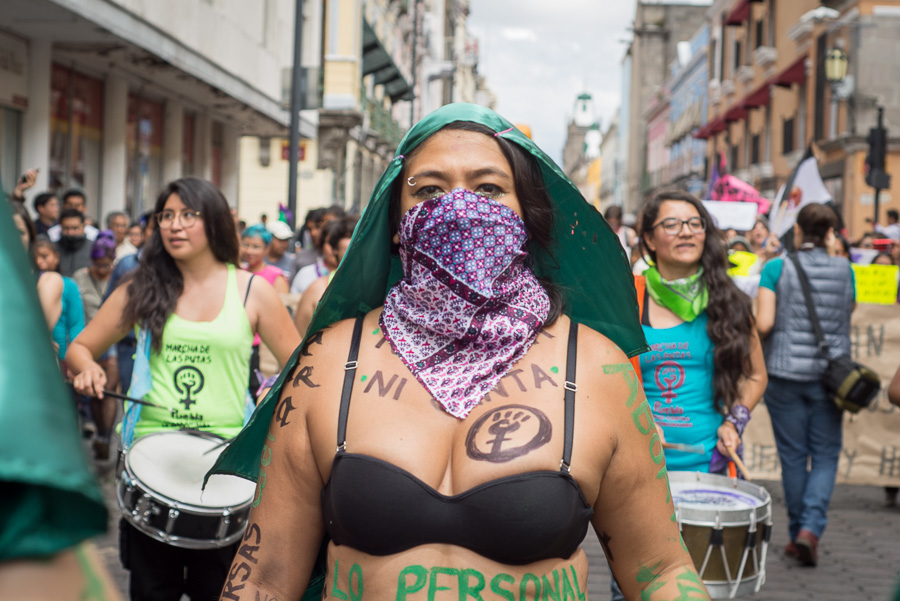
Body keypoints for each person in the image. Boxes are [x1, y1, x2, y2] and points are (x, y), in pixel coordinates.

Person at [213, 104, 710, 601]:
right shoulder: (331, 361)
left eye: (489, 189)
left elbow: (663, 572)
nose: (458, 208)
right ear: (392, 221)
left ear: (528, 217)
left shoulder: (596, 367)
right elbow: (264, 579)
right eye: (428, 190)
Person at [67, 177, 300, 601]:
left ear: (212, 222)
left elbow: (302, 370)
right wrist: (86, 369)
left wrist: (272, 391)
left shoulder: (252, 290)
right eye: (166, 216)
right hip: (151, 466)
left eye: (188, 215)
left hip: (229, 469)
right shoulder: (140, 289)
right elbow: (81, 348)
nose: (174, 225)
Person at [756, 203, 854, 567]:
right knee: (826, 454)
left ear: (797, 231)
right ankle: (811, 528)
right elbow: (849, 311)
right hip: (832, 378)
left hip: (784, 375)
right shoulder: (846, 269)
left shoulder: (776, 267)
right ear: (830, 233)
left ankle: (799, 530)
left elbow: (764, 324)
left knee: (794, 457)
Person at [73, 231, 119, 459]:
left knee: (109, 389)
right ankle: (101, 434)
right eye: (98, 264)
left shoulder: (118, 277)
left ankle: (106, 435)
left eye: (107, 264)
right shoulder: (79, 278)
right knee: (94, 391)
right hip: (87, 340)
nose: (103, 269)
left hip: (113, 341)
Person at [293, 215, 358, 336]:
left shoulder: (383, 289)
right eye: (348, 251)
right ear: (335, 251)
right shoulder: (317, 289)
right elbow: (299, 340)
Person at [56, 208, 94, 277]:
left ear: (83, 227)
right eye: (66, 228)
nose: (70, 232)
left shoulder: (93, 248)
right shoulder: (53, 248)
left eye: (75, 228)